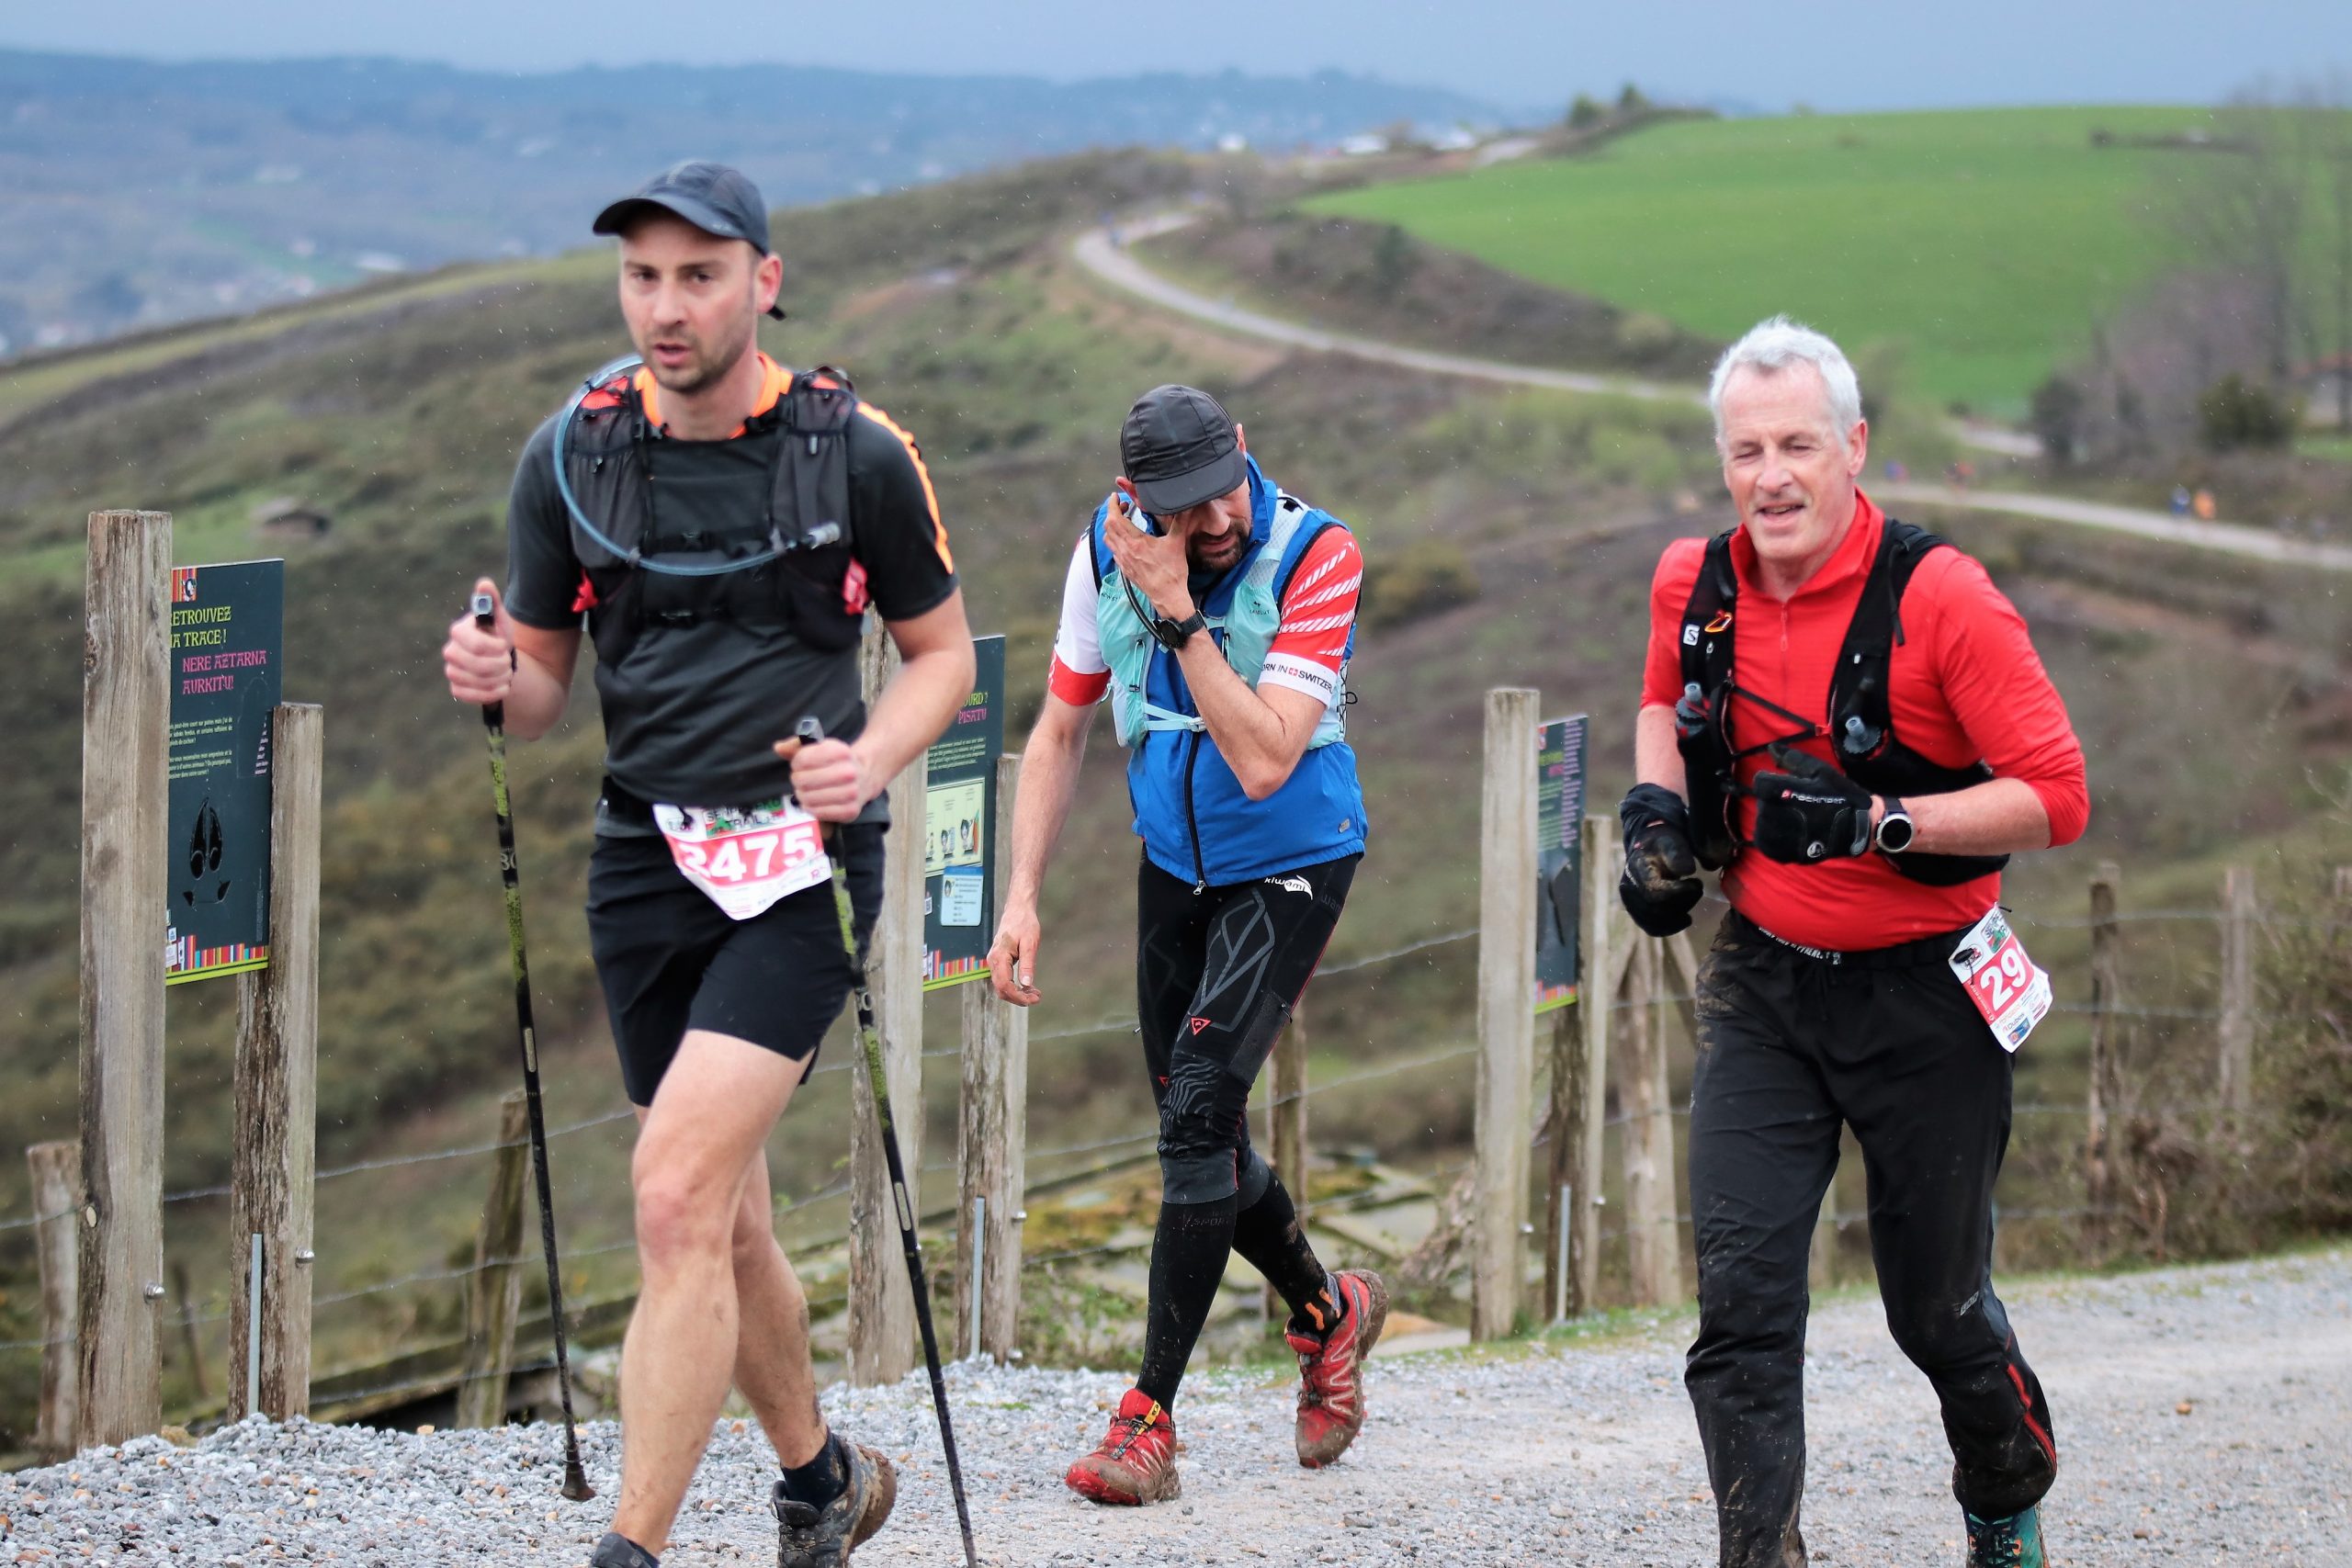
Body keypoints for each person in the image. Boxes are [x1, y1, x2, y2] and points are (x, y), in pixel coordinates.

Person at [441, 161, 974, 1568]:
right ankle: (820, 1477)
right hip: (644, 857)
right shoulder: (571, 455)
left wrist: (870, 758)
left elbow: (944, 655)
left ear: (764, 281)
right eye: (642, 277)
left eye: (699, 274)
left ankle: (633, 1547)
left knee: (674, 1191)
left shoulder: (857, 453)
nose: (666, 307)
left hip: (805, 864)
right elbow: (539, 692)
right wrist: (491, 675)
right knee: (724, 1210)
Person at [1616, 318, 2087, 1568]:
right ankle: (1759, 1550)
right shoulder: (1694, 584)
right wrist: (1655, 812)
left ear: (1854, 446)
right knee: (1741, 1308)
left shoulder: (1942, 597)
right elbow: (1664, 700)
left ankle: (2004, 1485)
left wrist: (1881, 820)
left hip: (1928, 995)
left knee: (1935, 1312)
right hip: (1766, 983)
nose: (1771, 476)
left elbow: (2057, 795)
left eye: (1798, 446)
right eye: (1746, 450)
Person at [987, 384, 1383, 1506]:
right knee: (1194, 1130)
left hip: (1293, 855)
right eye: (1180, 508)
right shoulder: (1103, 551)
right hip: (1173, 864)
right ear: (1135, 496)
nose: (1210, 523)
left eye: (1221, 494)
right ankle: (1328, 1313)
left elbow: (1264, 760)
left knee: (1202, 1106)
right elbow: (1060, 727)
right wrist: (1021, 897)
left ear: (1243, 451)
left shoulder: (1319, 555)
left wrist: (1178, 612)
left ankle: (1146, 1420)